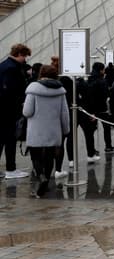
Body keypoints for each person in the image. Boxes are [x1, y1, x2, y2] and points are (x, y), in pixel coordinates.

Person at [23, 65, 70, 197]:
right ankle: (47, 182)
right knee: (50, 157)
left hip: (36, 130)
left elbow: (27, 112)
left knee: (35, 156)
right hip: (53, 130)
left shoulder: (33, 89)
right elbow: (64, 114)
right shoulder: (61, 91)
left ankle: (41, 176)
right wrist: (66, 130)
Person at [0, 43, 32, 179]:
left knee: (1, 139)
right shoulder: (12, 68)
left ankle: (10, 169)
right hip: (9, 110)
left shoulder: (3, 65)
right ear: (19, 54)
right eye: (24, 56)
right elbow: (11, 90)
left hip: (3, 109)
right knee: (10, 140)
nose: (25, 59)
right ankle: (11, 169)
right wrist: (21, 103)